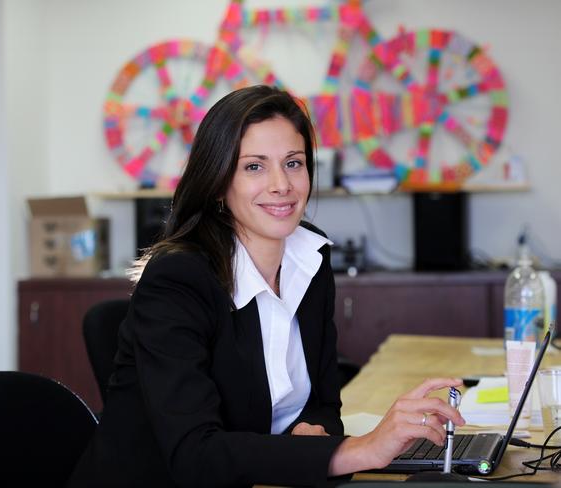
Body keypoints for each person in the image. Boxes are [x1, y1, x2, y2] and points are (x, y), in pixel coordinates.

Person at [68, 85, 465, 488]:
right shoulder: (177, 279)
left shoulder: (309, 260)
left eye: (293, 163)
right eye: (254, 167)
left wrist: (311, 433)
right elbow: (195, 455)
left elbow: (323, 401)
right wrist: (359, 450)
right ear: (219, 182)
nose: (281, 185)